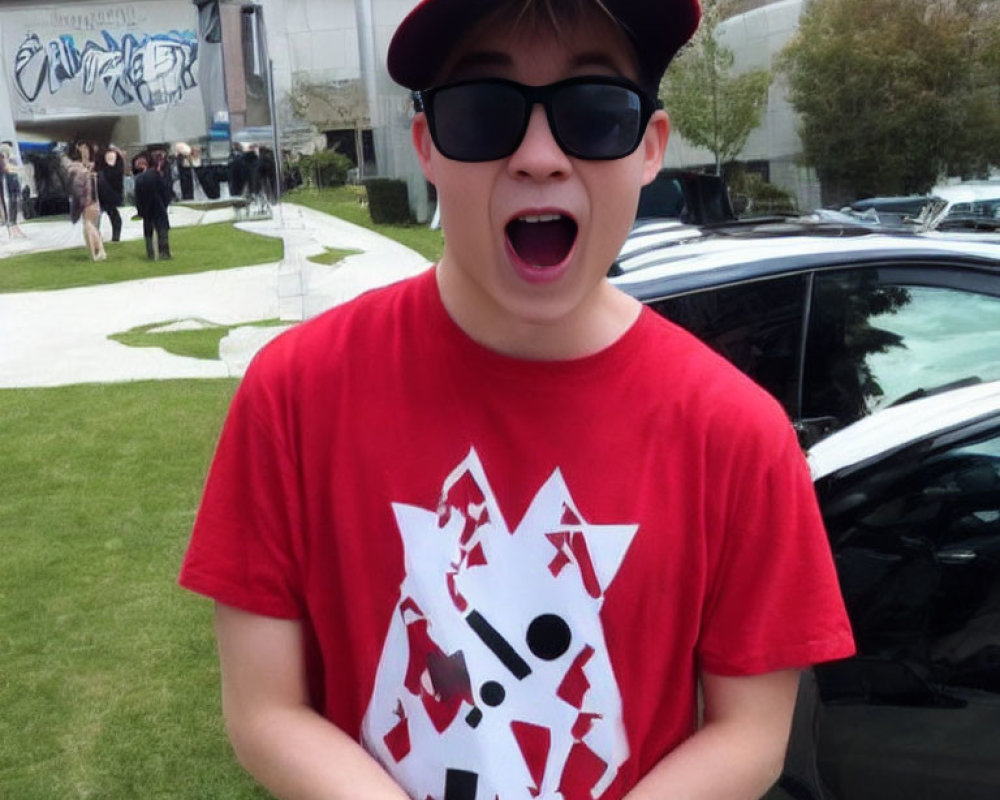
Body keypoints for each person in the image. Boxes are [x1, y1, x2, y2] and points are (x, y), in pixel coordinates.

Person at [179, 2, 855, 799]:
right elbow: (265, 710)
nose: (539, 156)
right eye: (484, 110)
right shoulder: (292, 395)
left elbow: (750, 734)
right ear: (427, 145)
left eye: (595, 112)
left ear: (650, 148)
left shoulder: (738, 435)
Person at [63, 141, 105, 261]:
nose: (84, 149)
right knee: (89, 226)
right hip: (87, 198)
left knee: (89, 225)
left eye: (86, 147)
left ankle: (98, 252)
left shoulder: (84, 167)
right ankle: (97, 252)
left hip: (90, 198)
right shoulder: (79, 167)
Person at [133, 149, 172, 260]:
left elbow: (137, 196)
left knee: (148, 230)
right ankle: (164, 252)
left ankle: (150, 253)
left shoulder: (139, 178)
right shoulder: (157, 175)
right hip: (158, 205)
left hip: (146, 207)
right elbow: (164, 191)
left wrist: (140, 210)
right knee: (162, 228)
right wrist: (165, 203)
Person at [96, 145, 125, 242]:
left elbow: (113, 174)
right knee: (110, 213)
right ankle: (97, 237)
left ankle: (115, 237)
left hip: (109, 192)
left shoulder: (113, 159)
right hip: (105, 192)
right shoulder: (101, 160)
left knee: (112, 213)